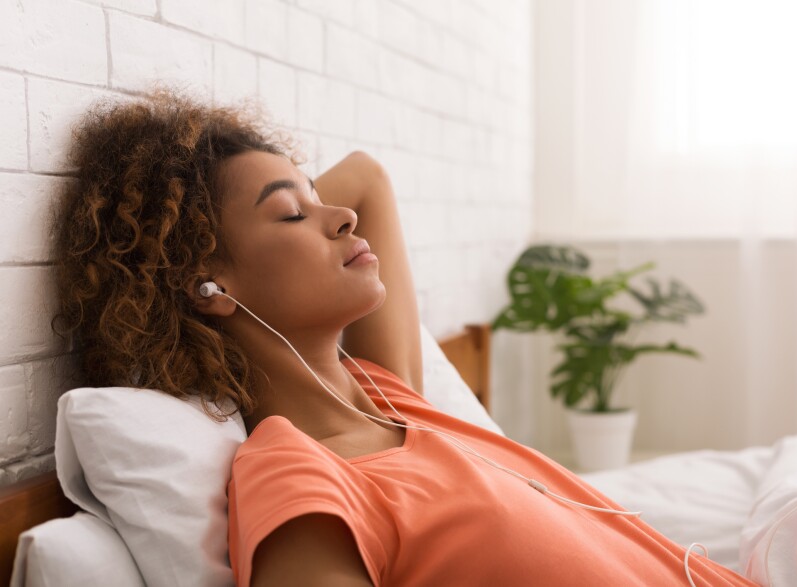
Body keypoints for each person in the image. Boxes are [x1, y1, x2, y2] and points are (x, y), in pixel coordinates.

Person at [53, 89, 757, 586]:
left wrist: (277, 213)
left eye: (315, 200)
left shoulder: (385, 394)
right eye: (292, 214)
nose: (341, 218)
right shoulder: (300, 477)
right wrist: (185, 256)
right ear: (210, 286)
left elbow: (366, 178)